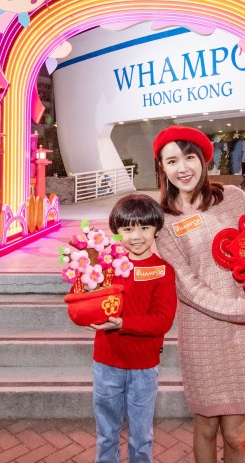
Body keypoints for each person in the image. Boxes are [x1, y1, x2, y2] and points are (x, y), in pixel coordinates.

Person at [151, 126, 245, 463]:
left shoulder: (233, 198)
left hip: (243, 333)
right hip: (202, 333)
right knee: (206, 426)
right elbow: (189, 288)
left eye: (189, 157)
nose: (183, 168)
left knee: (237, 432)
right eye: (172, 161)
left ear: (202, 160)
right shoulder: (164, 222)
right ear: (162, 168)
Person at [90, 193, 177, 463]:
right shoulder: (106, 267)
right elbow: (88, 300)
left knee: (141, 438)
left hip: (144, 367)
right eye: (127, 229)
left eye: (144, 227)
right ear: (117, 231)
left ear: (157, 229)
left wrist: (123, 323)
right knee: (106, 435)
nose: (136, 236)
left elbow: (162, 320)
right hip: (106, 362)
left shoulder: (163, 270)